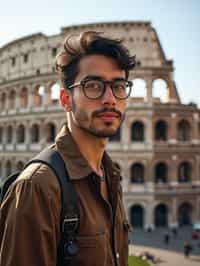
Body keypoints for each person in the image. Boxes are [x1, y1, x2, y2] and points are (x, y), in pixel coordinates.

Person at [0, 31, 135, 266]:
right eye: (93, 85)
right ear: (65, 100)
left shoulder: (111, 175)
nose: (110, 98)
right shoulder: (37, 187)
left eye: (119, 86)